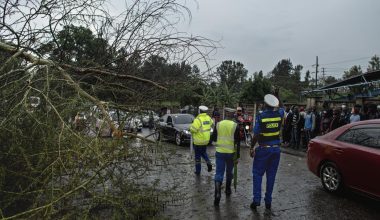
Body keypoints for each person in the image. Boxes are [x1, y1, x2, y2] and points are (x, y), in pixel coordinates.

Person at [250, 94, 284, 211]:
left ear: (265, 104)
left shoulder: (261, 116)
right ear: (275, 104)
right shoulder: (279, 114)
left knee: (257, 174)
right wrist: (277, 96)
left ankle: (256, 200)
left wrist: (251, 147)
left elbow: (256, 134)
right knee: (271, 176)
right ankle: (268, 202)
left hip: (263, 149)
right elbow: (281, 107)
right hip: (276, 150)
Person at [213, 108, 240, 206]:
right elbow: (237, 143)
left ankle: (217, 194)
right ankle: (228, 189)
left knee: (219, 173)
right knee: (229, 172)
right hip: (231, 153)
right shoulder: (235, 126)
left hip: (220, 152)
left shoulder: (218, 124)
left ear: (225, 115)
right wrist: (238, 156)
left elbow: (214, 138)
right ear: (233, 116)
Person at [190, 105, 213, 175]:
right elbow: (211, 123)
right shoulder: (208, 118)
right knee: (203, 152)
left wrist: (191, 127)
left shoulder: (198, 119)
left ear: (199, 111)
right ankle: (208, 162)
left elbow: (193, 129)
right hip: (205, 141)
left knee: (197, 157)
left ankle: (198, 171)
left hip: (198, 141)